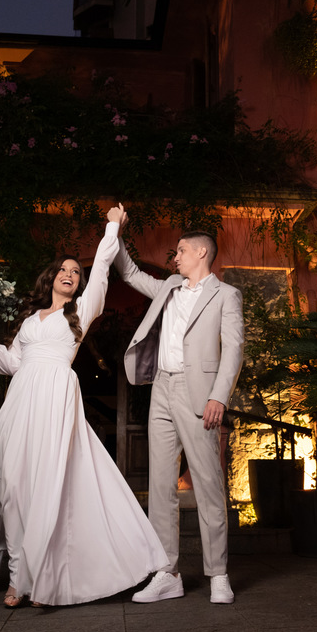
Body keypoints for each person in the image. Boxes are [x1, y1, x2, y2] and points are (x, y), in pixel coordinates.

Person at [0, 205, 168, 607]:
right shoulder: (31, 320)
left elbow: (103, 266)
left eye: (76, 272)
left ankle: (45, 582)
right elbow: (12, 364)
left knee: (50, 487)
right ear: (50, 277)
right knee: (16, 490)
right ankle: (18, 578)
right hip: (21, 404)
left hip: (56, 401)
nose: (71, 274)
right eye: (64, 270)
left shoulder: (81, 312)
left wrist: (112, 228)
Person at [115, 221, 244, 604]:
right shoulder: (169, 288)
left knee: (207, 483)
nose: (176, 257)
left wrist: (219, 396)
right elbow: (130, 272)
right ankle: (167, 572)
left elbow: (234, 348)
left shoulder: (226, 295)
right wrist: (116, 234)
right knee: (160, 485)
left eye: (181, 251)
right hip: (162, 389)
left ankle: (218, 573)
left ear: (201, 252)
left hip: (199, 393)